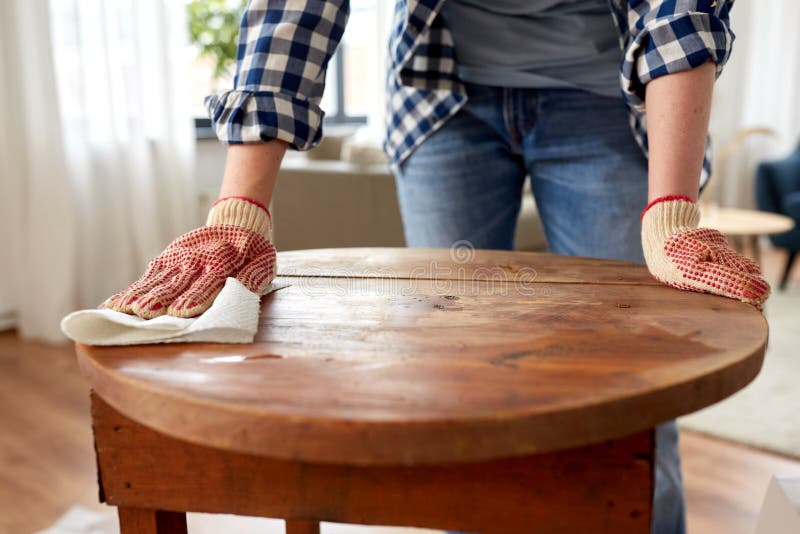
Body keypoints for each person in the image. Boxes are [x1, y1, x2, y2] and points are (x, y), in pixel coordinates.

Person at [104, 1, 770, 532]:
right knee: (451, 380)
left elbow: (681, 12)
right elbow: (295, 10)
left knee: (640, 379)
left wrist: (671, 207)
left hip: (607, 97)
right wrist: (240, 209)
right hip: (442, 97)